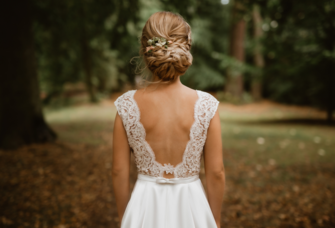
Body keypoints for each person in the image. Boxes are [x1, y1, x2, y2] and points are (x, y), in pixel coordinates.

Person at [112, 11, 225, 228]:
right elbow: (216, 172)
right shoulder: (206, 105)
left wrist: (123, 216)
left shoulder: (126, 105)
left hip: (144, 207)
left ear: (145, 50)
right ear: (186, 46)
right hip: (192, 206)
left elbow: (119, 170)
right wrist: (215, 220)